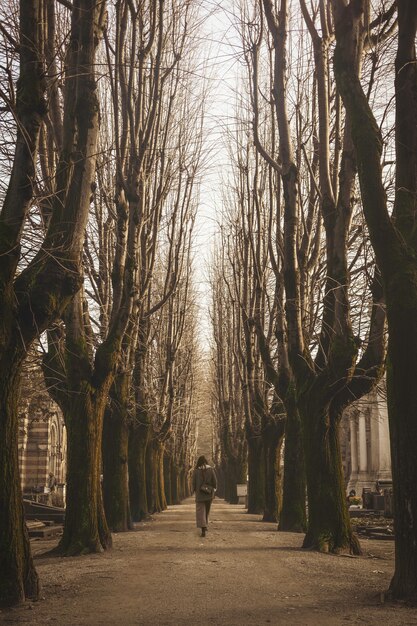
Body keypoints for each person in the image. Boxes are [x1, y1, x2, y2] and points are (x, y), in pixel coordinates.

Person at [192, 455, 217, 537]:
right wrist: (214, 489)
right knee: (207, 510)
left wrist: (193, 491)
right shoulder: (210, 470)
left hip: (200, 494)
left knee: (200, 512)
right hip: (209, 493)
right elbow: (214, 481)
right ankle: (205, 524)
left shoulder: (196, 471)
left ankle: (203, 528)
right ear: (206, 461)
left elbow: (193, 483)